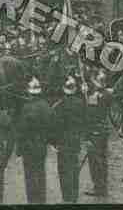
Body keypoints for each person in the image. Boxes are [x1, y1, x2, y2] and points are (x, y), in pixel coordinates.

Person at [16, 76, 53, 204]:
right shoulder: (46, 106)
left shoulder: (26, 108)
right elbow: (50, 126)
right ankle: (42, 200)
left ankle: (32, 201)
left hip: (28, 146)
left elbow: (22, 130)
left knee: (30, 175)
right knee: (41, 172)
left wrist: (19, 150)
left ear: (29, 92)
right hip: (41, 145)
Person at [51, 75, 87, 203]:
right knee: (73, 168)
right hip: (75, 140)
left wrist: (54, 142)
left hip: (64, 142)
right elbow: (84, 121)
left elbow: (56, 126)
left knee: (64, 170)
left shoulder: (60, 105)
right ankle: (74, 196)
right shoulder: (81, 103)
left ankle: (67, 198)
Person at [85, 69, 113, 196]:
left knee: (95, 161)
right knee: (102, 159)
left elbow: (90, 114)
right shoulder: (107, 94)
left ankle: (99, 188)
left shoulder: (93, 97)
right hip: (104, 130)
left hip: (94, 131)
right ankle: (103, 186)